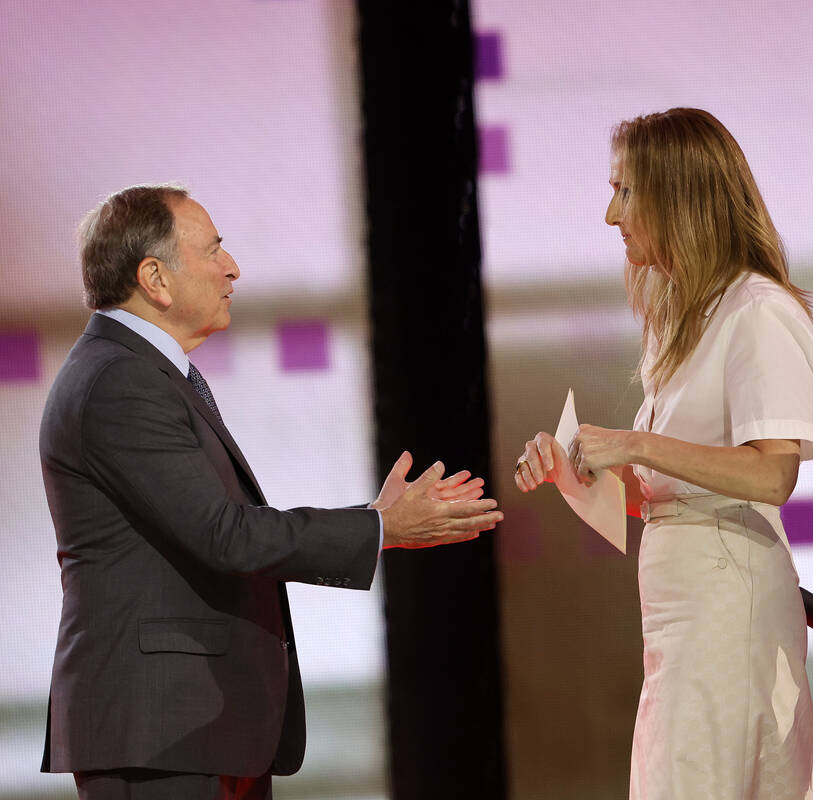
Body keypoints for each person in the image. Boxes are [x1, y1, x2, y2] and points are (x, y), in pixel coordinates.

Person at [39, 184, 504, 799]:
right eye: (212, 251)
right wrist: (380, 527)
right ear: (155, 278)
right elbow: (224, 535)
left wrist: (377, 520)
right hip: (158, 732)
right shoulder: (120, 381)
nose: (232, 268)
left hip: (195, 726)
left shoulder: (136, 372)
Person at [514, 108, 813, 799]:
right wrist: (577, 470)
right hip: (685, 608)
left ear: (677, 194)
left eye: (625, 192)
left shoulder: (755, 310)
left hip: (726, 599)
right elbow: (662, 487)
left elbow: (773, 472)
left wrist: (631, 443)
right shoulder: (686, 319)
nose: (610, 214)